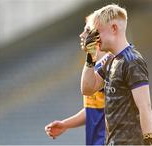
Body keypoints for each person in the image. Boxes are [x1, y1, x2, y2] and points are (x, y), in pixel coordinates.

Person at [81, 4, 152, 145]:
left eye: (98, 32)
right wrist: (90, 57)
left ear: (114, 28)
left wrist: (150, 142)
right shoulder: (110, 60)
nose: (95, 38)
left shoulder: (132, 61)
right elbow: (87, 88)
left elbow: (145, 106)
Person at [45, 13, 111, 145]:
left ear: (99, 35)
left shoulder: (111, 65)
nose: (81, 35)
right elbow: (96, 108)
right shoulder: (98, 65)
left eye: (87, 30)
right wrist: (65, 124)